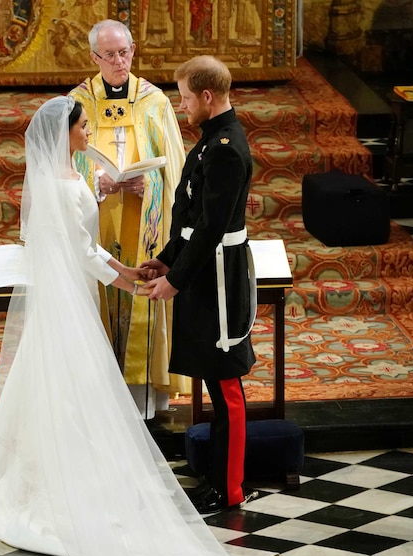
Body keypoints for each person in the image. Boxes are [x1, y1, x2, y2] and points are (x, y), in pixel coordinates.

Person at [0, 95, 245, 556]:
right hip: (68, 297)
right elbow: (80, 252)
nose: (87, 133)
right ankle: (54, 486)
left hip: (76, 288)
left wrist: (128, 270)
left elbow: (88, 246)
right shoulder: (57, 186)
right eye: (82, 127)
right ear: (66, 133)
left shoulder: (69, 174)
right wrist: (126, 281)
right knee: (68, 386)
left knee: (72, 386)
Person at [143, 56, 256, 514]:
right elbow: (189, 218)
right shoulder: (212, 140)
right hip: (202, 269)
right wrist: (166, 259)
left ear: (207, 97)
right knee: (214, 379)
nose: (182, 104)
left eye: (186, 97)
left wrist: (175, 279)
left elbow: (211, 228)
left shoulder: (226, 147)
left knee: (226, 385)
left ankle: (230, 488)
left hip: (219, 280)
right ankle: (216, 477)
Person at [70, 19, 187, 418]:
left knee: (143, 290)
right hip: (98, 217)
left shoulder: (154, 101)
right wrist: (98, 184)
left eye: (125, 53)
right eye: (110, 55)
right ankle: (96, 398)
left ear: (133, 51)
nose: (119, 62)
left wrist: (149, 185)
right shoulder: (78, 102)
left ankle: (143, 402)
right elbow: (65, 163)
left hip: (144, 221)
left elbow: (175, 170)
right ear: (94, 58)